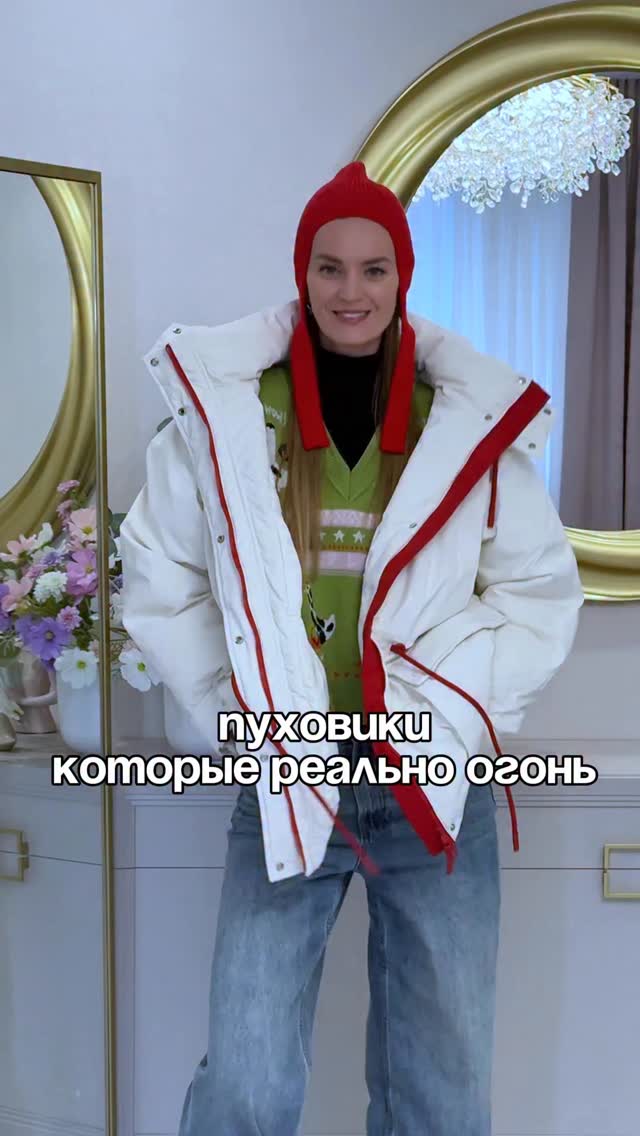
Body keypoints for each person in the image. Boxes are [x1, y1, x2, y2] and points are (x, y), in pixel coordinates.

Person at [119, 161, 584, 1135]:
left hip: (431, 786)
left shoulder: (461, 421)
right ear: (303, 273)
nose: (350, 291)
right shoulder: (233, 415)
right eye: (329, 267)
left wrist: (460, 709)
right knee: (246, 1078)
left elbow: (537, 593)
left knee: (442, 1088)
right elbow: (161, 576)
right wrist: (234, 709)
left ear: (401, 277)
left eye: (374, 269)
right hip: (290, 775)